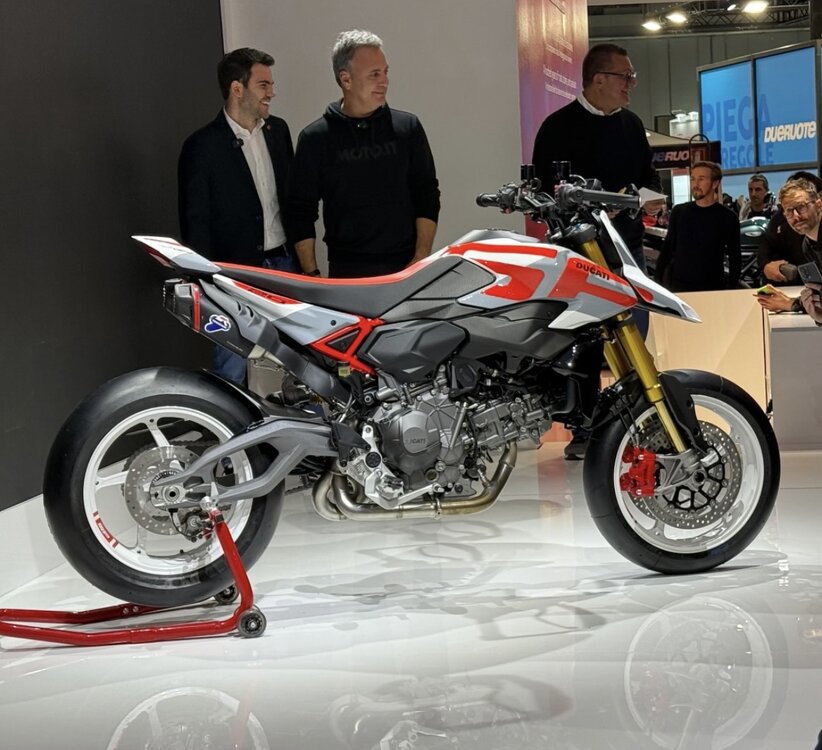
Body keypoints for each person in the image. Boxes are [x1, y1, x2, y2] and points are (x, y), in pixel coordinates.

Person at [532, 42, 660, 459]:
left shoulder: (632, 125)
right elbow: (542, 196)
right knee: (584, 341)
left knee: (634, 335)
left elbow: (650, 179)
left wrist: (644, 198)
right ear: (599, 79)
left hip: (627, 250)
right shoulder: (557, 128)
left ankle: (636, 421)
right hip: (580, 255)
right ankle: (584, 428)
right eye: (626, 76)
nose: (631, 84)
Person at [178, 47, 299, 384]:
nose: (271, 93)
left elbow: (291, 200)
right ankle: (231, 417)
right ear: (237, 89)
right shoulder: (202, 146)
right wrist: (208, 282)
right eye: (263, 85)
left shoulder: (279, 132)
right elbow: (196, 222)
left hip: (284, 267)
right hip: (234, 275)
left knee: (297, 361)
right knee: (232, 362)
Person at [288, 29, 440, 279]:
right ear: (346, 79)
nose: (384, 81)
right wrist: (311, 273)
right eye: (374, 74)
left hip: (407, 266)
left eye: (385, 72)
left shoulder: (408, 128)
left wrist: (421, 256)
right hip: (347, 270)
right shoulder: (315, 138)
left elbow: (427, 193)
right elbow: (300, 210)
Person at [654, 161, 741, 292]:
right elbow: (667, 249)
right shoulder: (679, 212)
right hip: (679, 287)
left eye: (701, 179)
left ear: (715, 183)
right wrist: (657, 283)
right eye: (693, 179)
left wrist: (731, 289)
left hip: (713, 288)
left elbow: (735, 257)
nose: (695, 184)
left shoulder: (728, 217)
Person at [756, 178, 822, 323]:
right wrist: (794, 303)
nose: (796, 216)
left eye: (801, 207)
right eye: (789, 211)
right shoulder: (807, 245)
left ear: (819, 205)